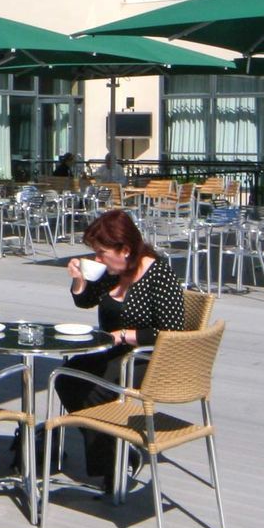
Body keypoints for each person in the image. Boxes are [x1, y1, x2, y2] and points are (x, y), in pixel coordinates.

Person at [55, 208, 187, 488]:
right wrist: (79, 279)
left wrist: (124, 335)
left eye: (102, 253)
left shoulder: (159, 274)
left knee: (95, 388)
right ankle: (118, 455)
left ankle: (113, 466)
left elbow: (171, 331)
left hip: (148, 359)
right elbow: (86, 301)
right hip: (112, 351)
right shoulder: (114, 273)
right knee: (67, 378)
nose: (98, 259)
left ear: (125, 249)